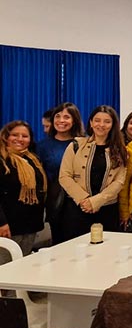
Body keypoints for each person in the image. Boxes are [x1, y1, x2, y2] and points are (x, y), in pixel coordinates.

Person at [59, 105, 127, 240]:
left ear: (113, 125)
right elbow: (64, 176)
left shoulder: (120, 150)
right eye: (97, 120)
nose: (101, 125)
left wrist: (96, 201)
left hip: (107, 209)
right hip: (78, 208)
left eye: (107, 121)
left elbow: (119, 181)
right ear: (91, 122)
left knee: (106, 249)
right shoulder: (75, 145)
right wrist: (84, 200)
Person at [36, 102, 84, 244]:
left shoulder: (84, 143)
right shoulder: (42, 146)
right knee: (60, 243)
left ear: (74, 120)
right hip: (56, 202)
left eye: (66, 117)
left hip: (81, 201)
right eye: (57, 116)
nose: (61, 120)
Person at [0, 121, 47, 260]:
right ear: (6, 137)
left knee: (22, 264)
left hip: (30, 225)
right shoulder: (2, 159)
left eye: (25, 136)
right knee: (5, 266)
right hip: (8, 226)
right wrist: (1, 223)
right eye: (15, 135)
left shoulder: (33, 159)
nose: (20, 139)